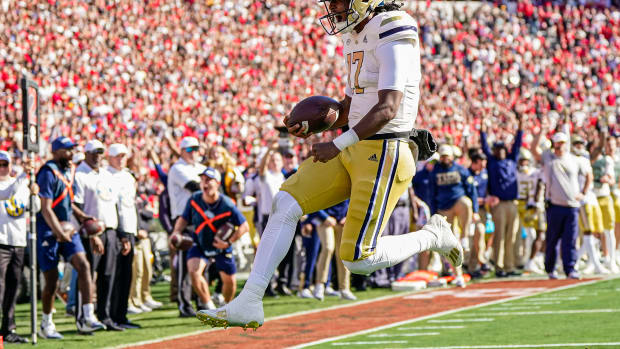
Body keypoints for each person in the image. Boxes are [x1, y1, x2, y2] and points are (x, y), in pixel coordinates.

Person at [197, 0, 462, 329]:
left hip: (386, 150)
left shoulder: (393, 24)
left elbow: (388, 107)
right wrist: (315, 126)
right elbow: (351, 108)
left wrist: (336, 144)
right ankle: (249, 301)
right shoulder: (353, 34)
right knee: (285, 202)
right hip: (354, 144)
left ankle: (431, 236)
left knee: (357, 259)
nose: (333, 7)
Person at [36, 137, 105, 339]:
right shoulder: (48, 173)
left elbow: (68, 200)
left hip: (67, 228)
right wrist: (59, 233)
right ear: (56, 152)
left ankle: (87, 315)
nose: (71, 153)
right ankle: (46, 323)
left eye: (72, 149)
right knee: (51, 282)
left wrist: (82, 217)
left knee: (84, 265)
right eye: (67, 150)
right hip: (49, 231)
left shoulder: (70, 170)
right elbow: (46, 208)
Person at [171, 168, 249, 308]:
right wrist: (176, 232)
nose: (205, 184)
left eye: (209, 180)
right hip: (200, 243)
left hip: (221, 245)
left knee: (230, 281)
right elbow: (183, 218)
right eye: (202, 180)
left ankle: (226, 306)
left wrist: (228, 242)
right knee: (194, 271)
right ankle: (209, 306)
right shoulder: (194, 199)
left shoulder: (227, 203)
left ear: (217, 183)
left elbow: (244, 226)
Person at [74, 140, 124, 331]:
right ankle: (82, 318)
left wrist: (119, 234)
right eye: (94, 152)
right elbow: (77, 207)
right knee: (87, 274)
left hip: (109, 229)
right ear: (86, 153)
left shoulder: (105, 174)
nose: (97, 156)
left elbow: (113, 204)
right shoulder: (80, 174)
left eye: (100, 152)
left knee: (107, 275)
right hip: (91, 231)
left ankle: (105, 315)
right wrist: (90, 233)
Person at [534, 131, 590, 279]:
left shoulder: (574, 159)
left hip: (572, 205)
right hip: (554, 205)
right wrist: (542, 130)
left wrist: (583, 193)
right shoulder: (548, 157)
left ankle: (570, 268)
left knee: (570, 239)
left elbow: (588, 174)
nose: (560, 146)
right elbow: (534, 149)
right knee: (552, 239)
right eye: (558, 143)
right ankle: (550, 269)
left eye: (563, 143)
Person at [0, 151, 38, 343]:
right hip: (1, 242)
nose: (2, 168)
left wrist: (34, 193)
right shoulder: (12, 185)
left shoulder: (21, 184)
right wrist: (24, 175)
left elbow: (34, 207)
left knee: (13, 288)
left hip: (18, 242)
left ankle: (8, 328)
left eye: (4, 164)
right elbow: (7, 194)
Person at [480, 115, 524, 277]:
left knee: (512, 235)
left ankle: (509, 265)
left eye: (502, 149)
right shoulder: (492, 162)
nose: (500, 151)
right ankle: (499, 266)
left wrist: (520, 127)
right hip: (498, 204)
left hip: (512, 202)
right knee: (499, 235)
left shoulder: (512, 160)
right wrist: (482, 131)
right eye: (497, 149)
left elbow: (518, 144)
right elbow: (484, 147)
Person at [429, 144, 479, 287]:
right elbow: (432, 194)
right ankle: (458, 275)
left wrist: (475, 211)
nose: (445, 158)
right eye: (443, 156)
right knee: (450, 242)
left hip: (458, 202)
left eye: (447, 156)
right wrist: (434, 214)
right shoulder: (435, 171)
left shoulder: (460, 170)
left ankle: (465, 236)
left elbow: (472, 191)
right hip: (444, 208)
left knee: (466, 203)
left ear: (452, 157)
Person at [167, 136, 206, 317]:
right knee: (184, 262)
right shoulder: (177, 168)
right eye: (190, 149)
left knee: (201, 262)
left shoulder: (200, 168)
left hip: (201, 219)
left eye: (196, 149)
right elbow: (196, 187)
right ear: (182, 151)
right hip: (183, 219)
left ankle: (201, 299)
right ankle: (184, 303)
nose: (194, 153)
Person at [107, 144, 144, 329]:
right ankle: (112, 315)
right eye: (117, 156)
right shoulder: (107, 176)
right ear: (110, 157)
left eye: (123, 155)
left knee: (126, 275)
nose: (120, 159)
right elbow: (115, 208)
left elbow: (131, 207)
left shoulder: (128, 177)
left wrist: (134, 231)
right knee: (116, 275)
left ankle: (121, 314)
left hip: (129, 229)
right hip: (117, 230)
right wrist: (122, 234)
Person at [468, 151, 489, 277]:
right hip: (470, 210)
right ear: (474, 162)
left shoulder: (484, 173)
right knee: (476, 235)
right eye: (481, 164)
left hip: (482, 209)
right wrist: (484, 200)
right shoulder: (466, 174)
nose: (483, 167)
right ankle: (480, 262)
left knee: (479, 237)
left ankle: (474, 266)